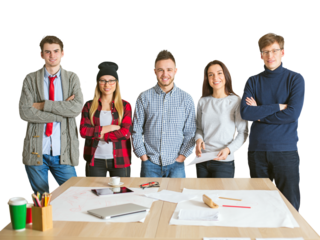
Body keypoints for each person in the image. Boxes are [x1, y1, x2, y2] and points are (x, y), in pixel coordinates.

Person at [240, 31, 305, 211]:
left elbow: (292, 114)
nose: (270, 56)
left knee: (290, 206)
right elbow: (246, 112)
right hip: (257, 152)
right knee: (259, 205)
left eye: (275, 51)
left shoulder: (296, 78)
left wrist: (258, 113)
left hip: (285, 151)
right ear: (261, 56)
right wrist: (277, 106)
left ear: (283, 53)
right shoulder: (252, 80)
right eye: (266, 52)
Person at [18, 33, 84, 195]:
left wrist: (43, 105)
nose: (52, 55)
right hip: (36, 152)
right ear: (41, 55)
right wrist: (62, 113)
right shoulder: (30, 78)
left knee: (73, 196)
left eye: (56, 51)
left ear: (63, 53)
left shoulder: (72, 77)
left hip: (64, 152)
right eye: (47, 52)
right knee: (41, 203)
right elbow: (25, 113)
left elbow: (76, 109)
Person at [132, 47, 196, 178]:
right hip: (149, 164)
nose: (165, 74)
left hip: (176, 165)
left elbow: (191, 132)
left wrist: (182, 158)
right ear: (154, 71)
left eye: (169, 70)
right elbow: (136, 130)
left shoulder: (187, 98)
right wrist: (143, 158)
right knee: (148, 199)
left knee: (176, 198)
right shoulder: (143, 96)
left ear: (176, 71)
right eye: (160, 70)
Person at [195, 58, 249, 178]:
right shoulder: (202, 101)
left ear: (225, 75)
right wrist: (198, 139)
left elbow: (243, 133)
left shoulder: (236, 101)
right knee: (201, 196)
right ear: (207, 79)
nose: (215, 78)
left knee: (221, 197)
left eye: (219, 73)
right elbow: (198, 128)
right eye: (211, 75)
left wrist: (229, 149)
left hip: (224, 162)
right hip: (202, 160)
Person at [79, 60, 132, 177]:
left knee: (121, 194)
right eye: (103, 81)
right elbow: (83, 132)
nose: (107, 85)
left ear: (116, 83)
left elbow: (126, 133)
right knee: (94, 194)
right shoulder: (89, 105)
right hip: (94, 159)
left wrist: (100, 134)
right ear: (98, 83)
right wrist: (111, 127)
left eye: (111, 81)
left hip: (121, 159)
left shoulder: (125, 105)